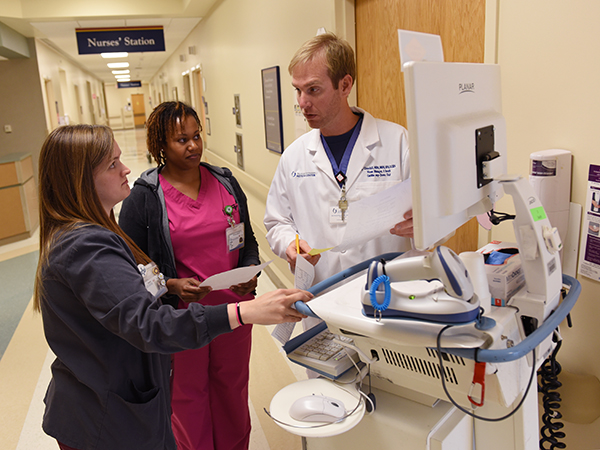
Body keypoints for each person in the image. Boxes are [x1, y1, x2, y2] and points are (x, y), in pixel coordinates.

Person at [34, 124, 312, 450]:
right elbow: (149, 324)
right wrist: (246, 310)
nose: (125, 169)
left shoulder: (99, 231)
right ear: (79, 178)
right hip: (105, 417)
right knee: (191, 402)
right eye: (112, 164)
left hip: (119, 399)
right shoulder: (86, 246)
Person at [118, 101, 258, 450]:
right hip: (180, 318)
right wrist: (170, 283)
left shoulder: (225, 183)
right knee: (187, 394)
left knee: (232, 388)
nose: (193, 145)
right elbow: (129, 262)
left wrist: (250, 272)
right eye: (182, 140)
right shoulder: (145, 197)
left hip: (234, 311)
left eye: (197, 136)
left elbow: (248, 239)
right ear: (160, 145)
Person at [264, 32, 414, 300]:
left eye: (313, 90)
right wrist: (289, 243)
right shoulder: (294, 156)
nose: (302, 103)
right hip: (321, 296)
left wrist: (424, 225)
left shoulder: (398, 142)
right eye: (297, 90)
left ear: (345, 86)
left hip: (386, 296)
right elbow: (276, 221)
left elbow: (435, 218)